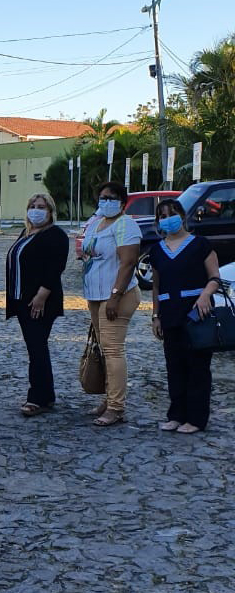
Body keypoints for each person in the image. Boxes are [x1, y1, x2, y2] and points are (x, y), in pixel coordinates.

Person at [149, 199, 221, 433]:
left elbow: (215, 278)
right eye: (162, 215)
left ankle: (196, 418)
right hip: (170, 312)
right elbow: (157, 287)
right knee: (174, 365)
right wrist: (156, 316)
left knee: (197, 366)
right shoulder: (157, 250)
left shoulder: (200, 244)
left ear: (181, 215)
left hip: (196, 312)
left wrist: (204, 296)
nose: (167, 219)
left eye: (172, 213)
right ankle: (176, 414)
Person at [80, 181, 142, 426]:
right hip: (95, 296)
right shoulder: (97, 223)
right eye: (102, 197)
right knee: (104, 349)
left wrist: (115, 296)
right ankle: (109, 397)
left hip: (116, 296)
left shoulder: (127, 225)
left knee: (113, 350)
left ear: (122, 202)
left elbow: (128, 263)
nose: (106, 201)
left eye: (111, 197)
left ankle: (116, 406)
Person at [5, 193, 69, 416]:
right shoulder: (27, 232)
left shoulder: (56, 235)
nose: (36, 210)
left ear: (50, 211)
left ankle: (36, 397)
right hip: (23, 300)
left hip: (40, 302)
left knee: (36, 348)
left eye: (41, 206)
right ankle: (47, 394)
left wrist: (41, 296)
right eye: (32, 206)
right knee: (37, 347)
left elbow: (55, 268)